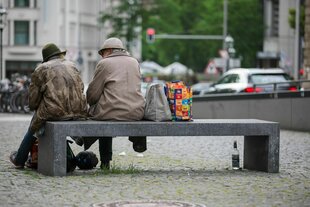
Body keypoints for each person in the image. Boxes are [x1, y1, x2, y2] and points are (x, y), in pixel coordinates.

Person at [9, 43, 88, 168]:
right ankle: (74, 142)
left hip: (54, 112)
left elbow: (33, 99)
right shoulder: (72, 66)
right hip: (78, 110)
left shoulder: (41, 69)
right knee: (46, 116)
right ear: (59, 55)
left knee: (34, 126)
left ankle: (19, 158)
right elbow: (81, 88)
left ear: (46, 58)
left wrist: (35, 107)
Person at [85, 37, 145, 169]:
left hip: (111, 112)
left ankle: (105, 161)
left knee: (100, 115)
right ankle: (139, 143)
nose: (102, 56)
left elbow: (93, 93)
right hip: (137, 112)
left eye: (103, 53)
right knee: (106, 110)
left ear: (109, 50)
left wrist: (91, 102)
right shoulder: (134, 62)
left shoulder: (105, 64)